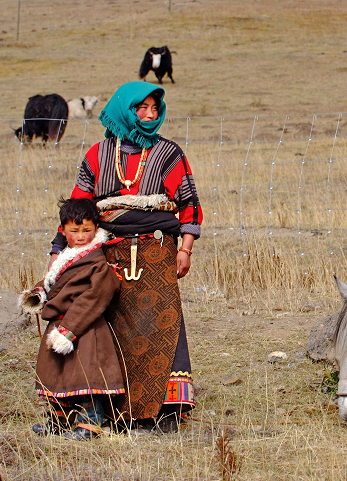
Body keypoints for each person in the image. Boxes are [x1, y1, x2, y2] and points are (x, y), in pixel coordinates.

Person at [48, 81, 203, 433]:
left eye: (154, 109)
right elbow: (77, 209)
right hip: (107, 254)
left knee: (161, 325)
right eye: (141, 108)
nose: (149, 115)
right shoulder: (97, 155)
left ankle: (163, 412)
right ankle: (110, 410)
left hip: (157, 251)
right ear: (124, 109)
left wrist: (186, 247)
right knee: (110, 330)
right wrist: (59, 249)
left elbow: (189, 203)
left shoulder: (168, 153)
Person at [21, 198, 123, 441]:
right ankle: (58, 420)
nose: (80, 236)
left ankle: (90, 425)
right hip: (60, 324)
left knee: (85, 378)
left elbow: (95, 296)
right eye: (74, 231)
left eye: (87, 230)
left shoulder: (97, 262)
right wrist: (39, 293)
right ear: (63, 231)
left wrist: (69, 330)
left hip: (84, 328)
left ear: (96, 229)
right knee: (57, 375)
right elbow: (54, 283)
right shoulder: (67, 256)